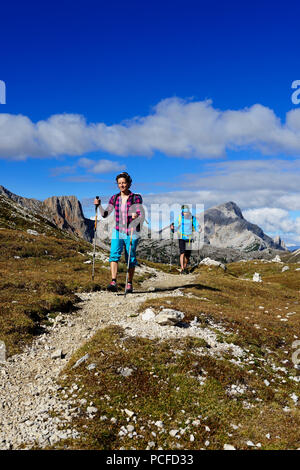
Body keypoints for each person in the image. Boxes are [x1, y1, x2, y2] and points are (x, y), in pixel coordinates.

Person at [94, 172, 144, 293]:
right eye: (119, 183)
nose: (122, 185)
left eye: (124, 183)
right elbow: (105, 214)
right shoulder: (114, 198)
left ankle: (129, 283)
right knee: (113, 255)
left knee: (130, 258)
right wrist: (99, 206)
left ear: (129, 183)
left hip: (132, 230)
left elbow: (140, 212)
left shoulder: (136, 197)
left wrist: (136, 215)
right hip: (118, 230)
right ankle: (113, 281)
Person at [170, 205, 201, 274]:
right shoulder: (179, 218)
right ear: (182, 212)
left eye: (186, 212)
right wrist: (172, 228)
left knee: (187, 254)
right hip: (181, 237)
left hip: (189, 238)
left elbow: (196, 225)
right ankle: (182, 268)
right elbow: (175, 226)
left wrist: (198, 229)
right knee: (182, 253)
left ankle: (185, 267)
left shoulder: (192, 218)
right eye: (184, 212)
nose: (185, 213)